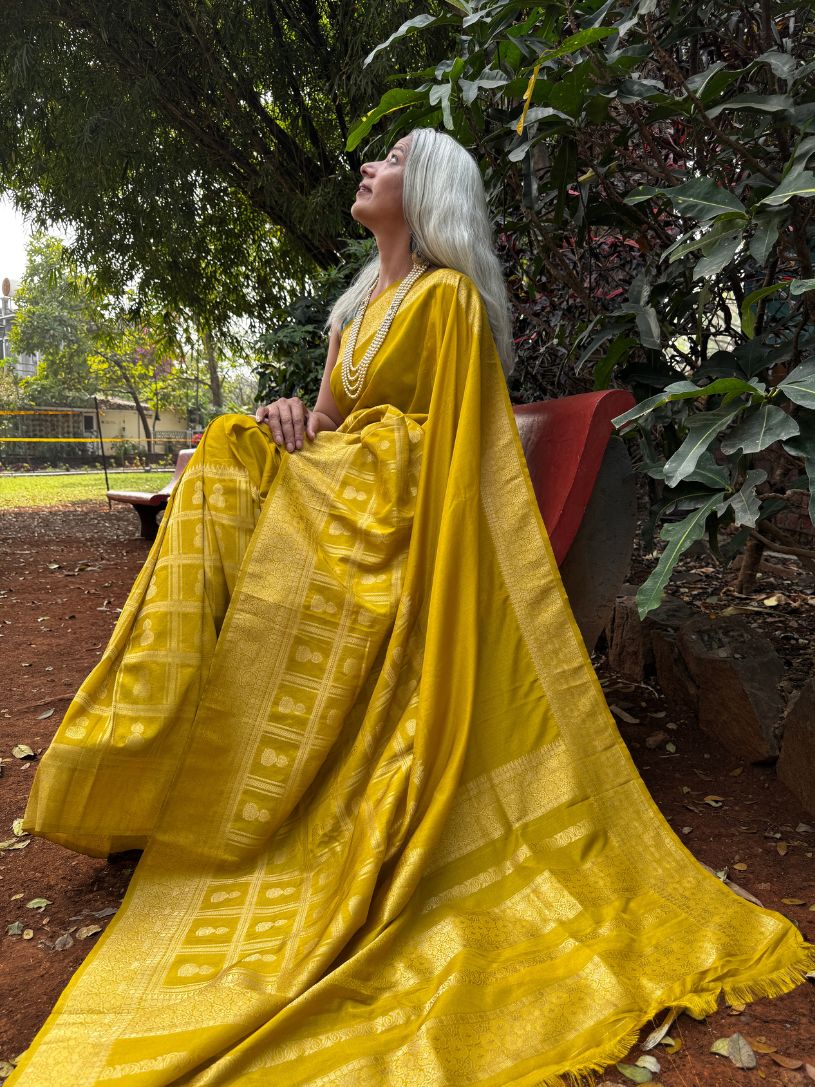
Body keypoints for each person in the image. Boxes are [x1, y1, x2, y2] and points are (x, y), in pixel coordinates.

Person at [10, 129, 814, 1087]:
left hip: (395, 521)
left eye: (390, 159)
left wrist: (368, 445)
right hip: (344, 497)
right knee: (227, 449)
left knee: (227, 475)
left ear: (428, 189)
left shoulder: (445, 300)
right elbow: (326, 424)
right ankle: (158, 742)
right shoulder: (355, 310)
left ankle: (210, 770)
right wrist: (288, 418)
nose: (367, 166)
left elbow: (460, 445)